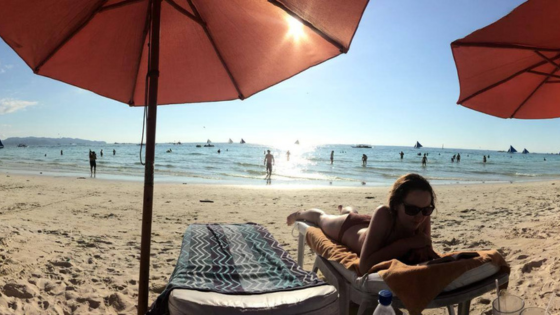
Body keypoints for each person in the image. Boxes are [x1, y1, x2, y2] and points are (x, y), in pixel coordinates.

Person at [287, 173, 438, 274]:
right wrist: (408, 243)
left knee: (351, 212)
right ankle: (300, 213)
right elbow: (365, 266)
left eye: (427, 209)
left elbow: (426, 252)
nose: (420, 217)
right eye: (412, 209)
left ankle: (346, 209)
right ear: (396, 205)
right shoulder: (384, 213)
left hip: (371, 226)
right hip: (348, 227)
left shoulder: (423, 215)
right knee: (321, 218)